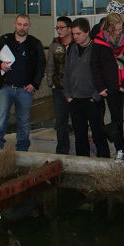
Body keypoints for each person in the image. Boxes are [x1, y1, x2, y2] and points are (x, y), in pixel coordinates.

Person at [0, 14, 46, 151]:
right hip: (5, 87)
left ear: (29, 26)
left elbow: (41, 65)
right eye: (19, 24)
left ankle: (22, 147)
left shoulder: (35, 44)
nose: (22, 28)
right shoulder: (5, 40)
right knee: (2, 114)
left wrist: (34, 84)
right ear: (15, 24)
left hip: (24, 89)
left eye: (25, 25)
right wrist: (0, 65)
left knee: (24, 120)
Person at [92, 10, 124, 162]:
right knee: (116, 118)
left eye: (120, 29)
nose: (119, 32)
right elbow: (95, 65)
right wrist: (100, 87)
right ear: (108, 28)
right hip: (111, 86)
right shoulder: (99, 41)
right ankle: (119, 148)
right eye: (115, 30)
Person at [64, 17, 110, 158]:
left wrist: (96, 96)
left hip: (92, 99)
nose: (75, 37)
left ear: (87, 32)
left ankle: (104, 163)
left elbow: (104, 73)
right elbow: (66, 72)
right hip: (75, 99)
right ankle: (82, 163)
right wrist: (68, 95)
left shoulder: (97, 48)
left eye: (78, 34)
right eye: (73, 34)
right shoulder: (71, 48)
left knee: (98, 134)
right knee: (80, 136)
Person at [45, 16, 74, 155]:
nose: (59, 30)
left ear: (69, 29)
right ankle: (62, 150)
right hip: (59, 88)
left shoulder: (76, 44)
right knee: (60, 120)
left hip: (75, 89)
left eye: (62, 27)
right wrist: (50, 82)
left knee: (77, 119)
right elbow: (50, 64)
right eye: (57, 28)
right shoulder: (55, 44)